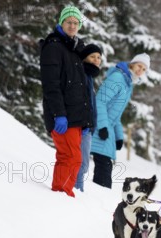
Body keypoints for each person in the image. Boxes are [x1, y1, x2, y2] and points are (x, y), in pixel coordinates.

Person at [40, 5, 93, 197]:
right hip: (62, 115)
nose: (72, 25)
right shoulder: (53, 47)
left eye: (76, 22)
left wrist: (86, 121)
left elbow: (83, 90)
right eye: (69, 22)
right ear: (61, 22)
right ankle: (60, 193)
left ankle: (64, 192)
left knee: (74, 158)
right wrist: (59, 114)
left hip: (75, 116)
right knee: (70, 156)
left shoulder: (75, 49)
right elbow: (50, 85)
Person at [90, 53, 150, 188]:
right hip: (100, 128)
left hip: (107, 131)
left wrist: (119, 136)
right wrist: (103, 127)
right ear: (133, 64)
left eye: (144, 69)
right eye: (139, 66)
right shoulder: (118, 78)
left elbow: (116, 115)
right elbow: (99, 102)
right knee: (103, 175)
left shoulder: (128, 84)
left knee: (105, 172)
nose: (141, 70)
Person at [74, 44, 103, 192]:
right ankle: (76, 191)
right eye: (92, 56)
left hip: (88, 127)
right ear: (84, 58)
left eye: (98, 57)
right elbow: (81, 102)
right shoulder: (82, 74)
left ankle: (77, 190)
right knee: (81, 164)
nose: (96, 60)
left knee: (83, 164)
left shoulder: (90, 76)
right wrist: (85, 124)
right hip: (82, 126)